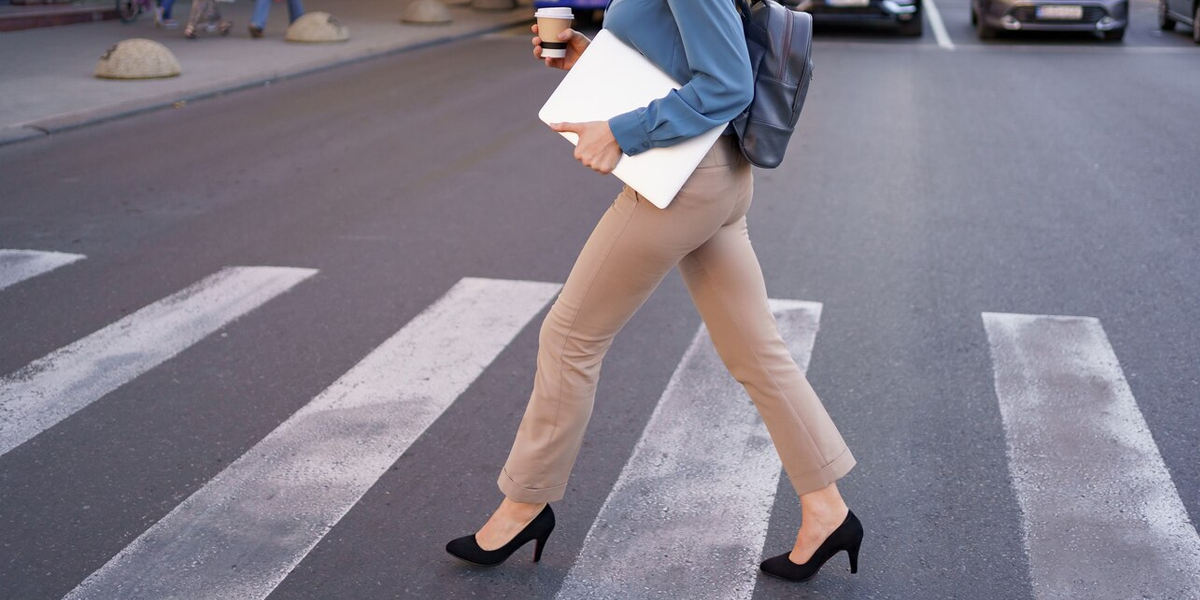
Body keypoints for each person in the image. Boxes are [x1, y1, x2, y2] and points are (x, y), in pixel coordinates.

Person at [444, 0, 864, 583]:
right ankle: (827, 512)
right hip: (712, 176)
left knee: (570, 338)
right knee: (757, 353)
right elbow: (678, 58)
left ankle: (523, 506)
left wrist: (620, 132)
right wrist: (586, 57)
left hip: (683, 181)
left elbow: (727, 83)